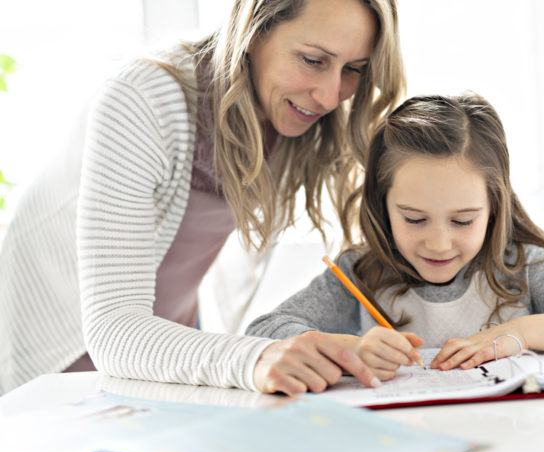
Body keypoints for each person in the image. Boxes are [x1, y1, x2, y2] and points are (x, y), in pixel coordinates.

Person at [0, 0, 406, 395]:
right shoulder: (141, 97)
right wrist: (256, 358)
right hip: (61, 355)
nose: (330, 97)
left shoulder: (301, 119)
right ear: (254, 30)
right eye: (313, 60)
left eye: (353, 69)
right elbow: (113, 330)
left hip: (171, 346)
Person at [247, 92, 544, 382]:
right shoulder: (359, 275)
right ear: (382, 204)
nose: (439, 244)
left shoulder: (518, 267)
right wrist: (349, 350)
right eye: (414, 219)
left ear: (493, 207)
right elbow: (261, 332)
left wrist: (519, 333)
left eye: (463, 221)